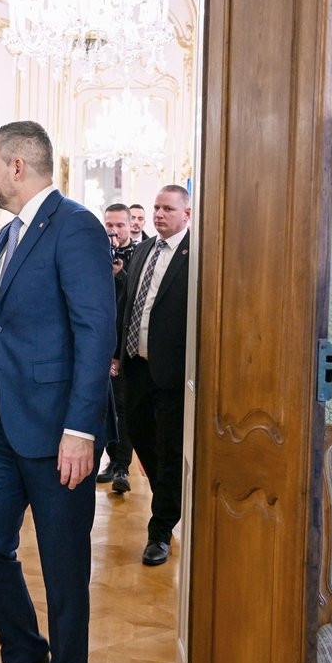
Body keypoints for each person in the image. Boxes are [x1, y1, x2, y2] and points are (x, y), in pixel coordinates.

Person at [0, 121, 115, 663]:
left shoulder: (75, 227)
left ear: (18, 166)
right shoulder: (6, 235)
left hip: (59, 433)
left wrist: (81, 430)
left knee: (64, 574)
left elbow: (95, 332)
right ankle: (26, 652)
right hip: (3, 425)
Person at [116, 186, 192, 566]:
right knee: (138, 434)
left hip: (173, 373)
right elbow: (127, 304)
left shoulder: (196, 254)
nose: (160, 214)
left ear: (186, 214)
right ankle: (167, 493)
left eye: (168, 209)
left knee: (170, 450)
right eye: (156, 208)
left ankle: (160, 530)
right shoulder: (144, 250)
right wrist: (115, 352)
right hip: (136, 366)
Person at [97, 203, 136, 493]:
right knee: (101, 405)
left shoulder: (141, 253)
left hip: (124, 347)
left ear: (130, 226)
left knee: (122, 407)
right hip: (98, 342)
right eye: (109, 225)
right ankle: (108, 461)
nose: (114, 230)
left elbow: (137, 300)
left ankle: (122, 466)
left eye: (120, 225)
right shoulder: (95, 252)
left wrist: (120, 275)